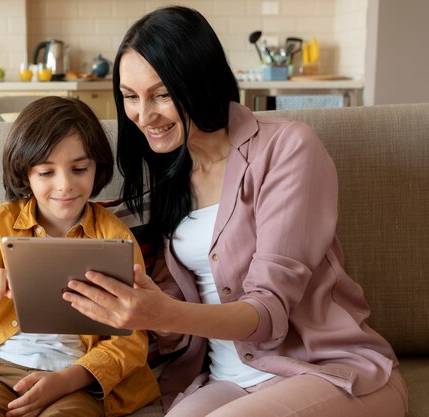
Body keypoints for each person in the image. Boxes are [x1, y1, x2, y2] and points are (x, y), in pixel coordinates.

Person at [62, 6, 408, 417]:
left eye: (162, 94)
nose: (143, 115)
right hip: (227, 379)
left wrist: (166, 311)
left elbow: (269, 310)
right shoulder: (170, 172)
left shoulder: (287, 148)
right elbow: (176, 315)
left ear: (200, 82)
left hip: (326, 371)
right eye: (130, 97)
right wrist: (145, 311)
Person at [0, 96, 159, 417]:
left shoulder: (114, 237)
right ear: (25, 174)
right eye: (46, 172)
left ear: (97, 167)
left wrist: (72, 378)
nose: (65, 185)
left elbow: (132, 335)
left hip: (74, 379)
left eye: (79, 168)